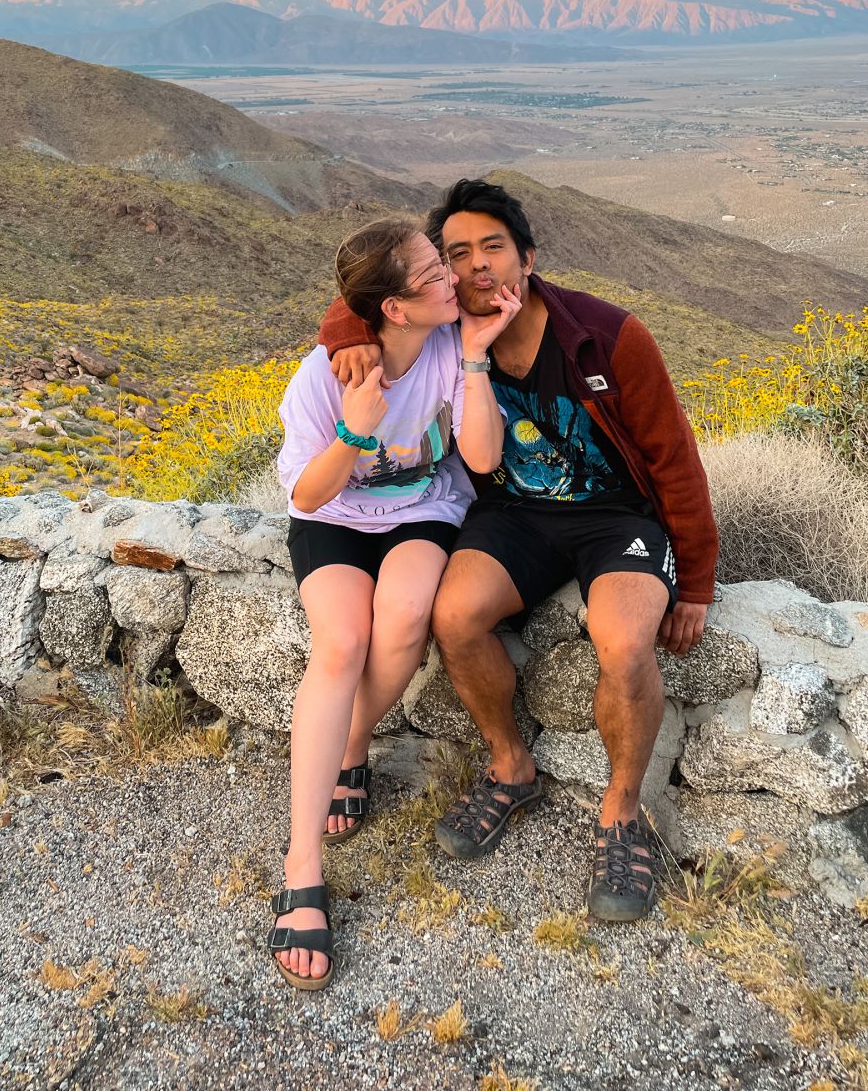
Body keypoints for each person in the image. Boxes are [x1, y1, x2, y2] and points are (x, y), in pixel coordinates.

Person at [319, 179, 718, 923]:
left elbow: (674, 461)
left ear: (528, 258)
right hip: (514, 515)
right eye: (455, 254)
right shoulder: (444, 330)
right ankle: (511, 766)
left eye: (492, 248)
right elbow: (367, 294)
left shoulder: (607, 338)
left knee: (625, 642)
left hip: (615, 517)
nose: (474, 267)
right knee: (456, 614)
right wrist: (346, 333)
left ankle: (622, 815)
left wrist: (695, 581)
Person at [268, 216, 520, 990]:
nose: (454, 275)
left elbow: (478, 457)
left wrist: (475, 360)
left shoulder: (450, 343)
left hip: (421, 510)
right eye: (435, 273)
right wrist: (355, 430)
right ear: (396, 308)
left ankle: (349, 748)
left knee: (407, 613)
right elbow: (308, 493)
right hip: (334, 519)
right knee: (341, 644)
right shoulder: (322, 375)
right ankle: (300, 864)